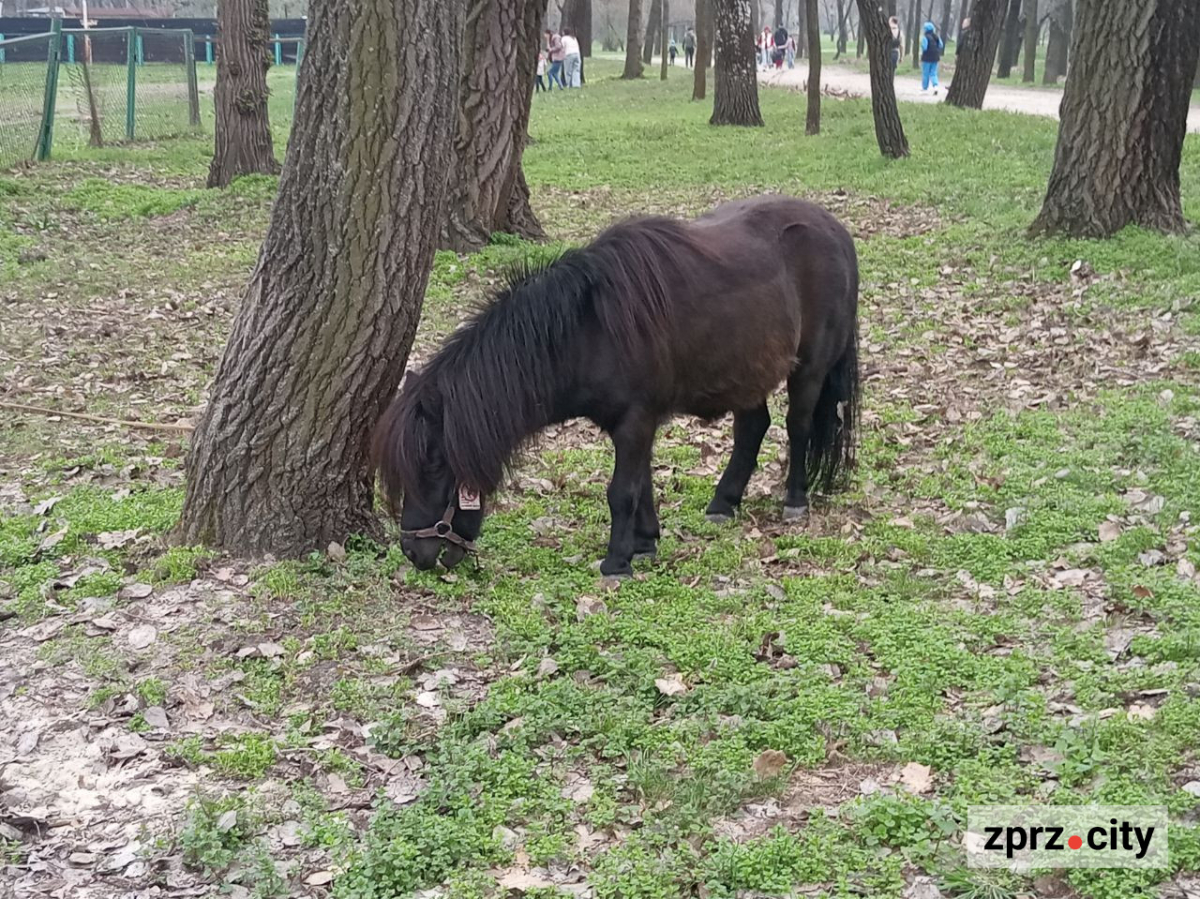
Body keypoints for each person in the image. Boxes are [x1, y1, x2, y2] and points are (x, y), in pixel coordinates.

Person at [920, 21, 943, 95]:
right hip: (935, 57)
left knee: (925, 72)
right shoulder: (936, 37)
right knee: (933, 72)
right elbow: (941, 45)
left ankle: (925, 87)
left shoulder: (925, 37)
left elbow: (924, 47)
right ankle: (935, 85)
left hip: (927, 57)